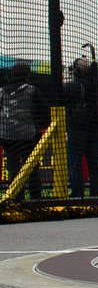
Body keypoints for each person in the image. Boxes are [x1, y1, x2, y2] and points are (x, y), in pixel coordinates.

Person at [0, 61, 49, 200]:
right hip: (27, 135)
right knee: (31, 166)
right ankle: (36, 196)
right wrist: (40, 126)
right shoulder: (32, 90)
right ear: (27, 75)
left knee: (13, 166)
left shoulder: (2, 90)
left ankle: (17, 196)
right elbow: (44, 112)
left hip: (7, 134)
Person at [65, 57, 98, 198]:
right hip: (94, 128)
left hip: (77, 127)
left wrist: (67, 78)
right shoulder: (96, 85)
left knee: (75, 162)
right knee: (94, 163)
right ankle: (97, 193)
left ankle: (77, 193)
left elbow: (60, 96)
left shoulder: (73, 86)